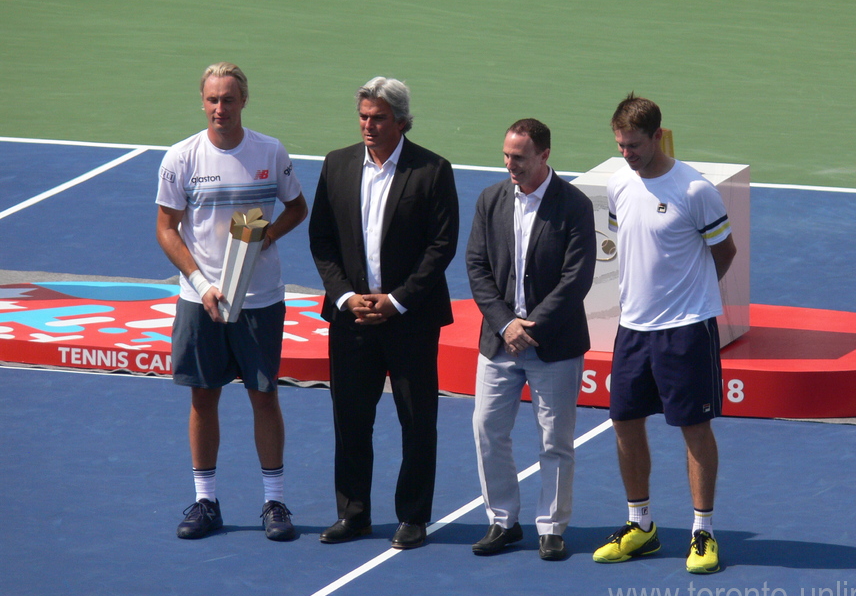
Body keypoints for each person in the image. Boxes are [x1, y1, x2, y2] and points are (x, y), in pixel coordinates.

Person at [156, 62, 308, 541]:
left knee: (264, 396)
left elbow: (297, 208)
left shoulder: (270, 151)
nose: (220, 108)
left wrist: (266, 237)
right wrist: (201, 284)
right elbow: (166, 228)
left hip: (260, 299)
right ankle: (206, 502)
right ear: (202, 102)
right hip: (200, 299)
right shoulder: (180, 158)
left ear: (244, 100)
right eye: (213, 99)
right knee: (204, 397)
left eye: (229, 98)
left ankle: (275, 502)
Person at [309, 76, 459, 550]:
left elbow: (442, 245)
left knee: (417, 419)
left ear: (400, 121)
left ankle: (413, 516)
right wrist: (344, 297)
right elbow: (322, 241)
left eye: (378, 118)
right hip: (351, 319)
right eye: (363, 117)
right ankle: (352, 513)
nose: (368, 126)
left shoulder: (432, 170)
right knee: (350, 419)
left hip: (409, 320)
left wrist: (396, 301)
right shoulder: (337, 165)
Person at [592, 93, 737, 574]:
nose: (626, 154)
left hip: (686, 330)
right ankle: (641, 525)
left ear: (657, 136)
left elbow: (725, 252)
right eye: (620, 146)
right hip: (632, 329)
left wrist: (692, 296)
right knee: (625, 423)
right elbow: (629, 241)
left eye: (634, 145)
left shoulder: (695, 191)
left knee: (693, 427)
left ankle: (703, 532)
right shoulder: (618, 184)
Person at [466, 119, 596, 561]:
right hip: (500, 342)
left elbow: (576, 278)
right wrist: (506, 325)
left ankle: (552, 527)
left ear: (544, 155)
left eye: (518, 157)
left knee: (554, 438)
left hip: (553, 346)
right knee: (486, 428)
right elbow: (477, 267)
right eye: (506, 155)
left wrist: (530, 327)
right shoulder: (491, 199)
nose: (509, 165)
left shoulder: (574, 205)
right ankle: (502, 521)